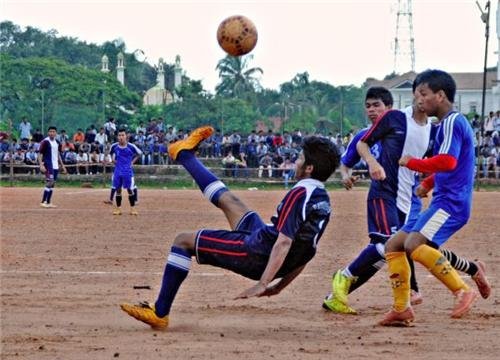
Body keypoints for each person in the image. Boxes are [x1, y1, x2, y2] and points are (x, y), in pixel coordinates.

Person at [120, 126, 340, 330]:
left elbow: (284, 242)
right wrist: (279, 286)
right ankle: (184, 154)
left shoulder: (300, 193)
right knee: (231, 202)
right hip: (265, 242)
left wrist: (263, 283)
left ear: (309, 168)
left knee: (182, 240)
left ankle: (160, 312)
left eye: (300, 158)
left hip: (256, 252)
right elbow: (307, 250)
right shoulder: (323, 200)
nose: (295, 162)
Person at [324, 86, 490, 315]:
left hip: (410, 200)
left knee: (413, 247)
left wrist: (427, 182)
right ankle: (347, 282)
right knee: (386, 246)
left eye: (377, 106)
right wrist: (371, 165)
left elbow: (444, 161)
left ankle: (467, 269)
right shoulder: (382, 125)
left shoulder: (433, 129)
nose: (372, 111)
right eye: (368, 106)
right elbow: (355, 152)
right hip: (384, 194)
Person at [378, 69, 483, 326]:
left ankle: (462, 290)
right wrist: (427, 183)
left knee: (414, 245)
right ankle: (401, 308)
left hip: (451, 204)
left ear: (440, 95)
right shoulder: (446, 125)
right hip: (442, 201)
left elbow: (447, 161)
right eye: (417, 96)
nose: (419, 101)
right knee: (394, 245)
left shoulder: (451, 122)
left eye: (423, 94)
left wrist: (413, 163)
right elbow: (452, 164)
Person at [109, 129, 142, 215]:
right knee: (118, 190)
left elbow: (139, 154)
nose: (121, 137)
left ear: (126, 136)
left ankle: (132, 209)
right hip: (118, 170)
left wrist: (132, 162)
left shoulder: (131, 146)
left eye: (122, 135)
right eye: (119, 135)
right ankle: (118, 209)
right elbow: (110, 153)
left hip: (127, 171)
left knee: (129, 190)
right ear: (117, 137)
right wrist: (113, 159)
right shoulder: (114, 146)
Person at [38, 126, 67, 208]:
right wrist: (41, 165)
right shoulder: (45, 142)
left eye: (53, 131)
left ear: (56, 133)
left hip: (55, 165)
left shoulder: (57, 142)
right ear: (48, 133)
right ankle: (43, 201)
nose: (52, 133)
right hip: (48, 164)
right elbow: (40, 154)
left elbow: (58, 154)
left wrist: (62, 165)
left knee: (53, 183)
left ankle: (48, 202)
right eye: (50, 131)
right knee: (50, 181)